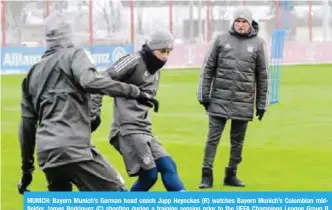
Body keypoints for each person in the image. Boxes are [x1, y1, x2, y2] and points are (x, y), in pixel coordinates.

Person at [17, 12, 157, 193]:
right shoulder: (75, 55)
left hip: (48, 156)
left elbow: (26, 128)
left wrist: (27, 171)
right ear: (69, 35)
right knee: (118, 195)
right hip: (74, 149)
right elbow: (90, 81)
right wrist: (136, 92)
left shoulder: (32, 75)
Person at [91, 30, 186, 192]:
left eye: (168, 52)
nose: (165, 57)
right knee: (149, 175)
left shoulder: (157, 71)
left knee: (169, 166)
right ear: (151, 48)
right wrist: (94, 111)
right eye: (162, 51)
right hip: (126, 129)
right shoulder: (133, 60)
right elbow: (100, 81)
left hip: (144, 130)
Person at [197, 7, 269, 188]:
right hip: (219, 99)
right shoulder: (220, 40)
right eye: (238, 21)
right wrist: (204, 94)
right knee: (212, 139)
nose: (240, 25)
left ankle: (231, 174)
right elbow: (208, 69)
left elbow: (263, 75)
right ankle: (206, 174)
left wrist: (261, 104)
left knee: (237, 142)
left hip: (243, 102)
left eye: (244, 21)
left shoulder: (259, 44)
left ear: (250, 23)